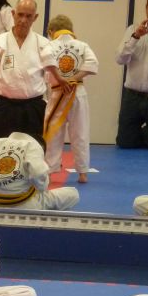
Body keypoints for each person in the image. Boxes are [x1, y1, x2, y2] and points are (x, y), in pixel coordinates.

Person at [0, 0, 70, 141]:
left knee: (33, 151)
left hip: (33, 109)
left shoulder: (44, 44)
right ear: (13, 14)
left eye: (28, 16)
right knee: (2, 151)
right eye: (20, 15)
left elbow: (52, 83)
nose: (23, 20)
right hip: (3, 108)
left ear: (35, 17)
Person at [44, 14, 99, 183]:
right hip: (77, 92)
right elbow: (93, 64)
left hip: (58, 93)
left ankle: (49, 171)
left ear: (51, 31)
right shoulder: (82, 45)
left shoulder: (50, 45)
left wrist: (61, 79)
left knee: (53, 133)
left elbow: (46, 62)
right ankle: (83, 173)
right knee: (80, 132)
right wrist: (74, 78)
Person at [115, 0, 148, 149]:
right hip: (132, 96)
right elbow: (120, 59)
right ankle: (140, 134)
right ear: (146, 8)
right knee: (125, 143)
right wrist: (135, 37)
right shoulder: (132, 29)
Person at [0, 131, 80, 210]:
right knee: (73, 194)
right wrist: (42, 185)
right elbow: (39, 174)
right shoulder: (32, 145)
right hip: (25, 207)